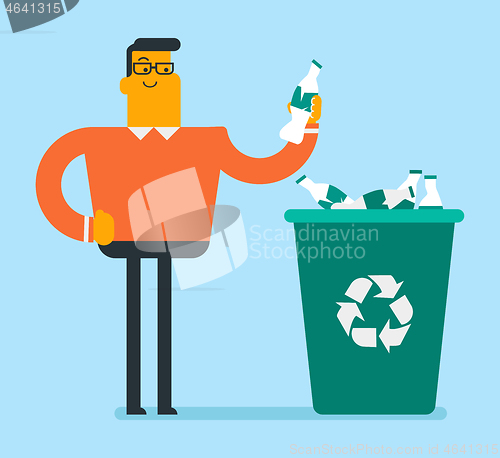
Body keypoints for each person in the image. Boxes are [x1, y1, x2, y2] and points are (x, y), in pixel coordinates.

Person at [35, 38, 322, 415]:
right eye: (145, 68)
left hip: (180, 236)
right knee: (135, 313)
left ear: (178, 81)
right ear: (126, 83)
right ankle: (135, 400)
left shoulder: (205, 141)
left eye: (164, 69)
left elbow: (264, 169)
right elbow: (48, 180)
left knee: (162, 316)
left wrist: (307, 128)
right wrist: (86, 227)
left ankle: (164, 399)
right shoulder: (96, 139)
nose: (156, 77)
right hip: (121, 236)